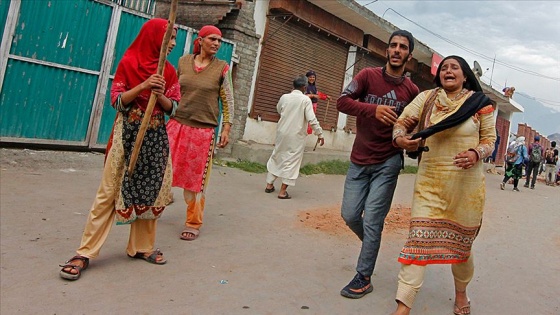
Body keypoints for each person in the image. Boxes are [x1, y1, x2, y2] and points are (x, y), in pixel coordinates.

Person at [59, 18, 180, 280]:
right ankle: (85, 252)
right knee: (108, 192)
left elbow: (175, 108)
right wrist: (144, 86)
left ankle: (141, 247)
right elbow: (117, 101)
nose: (172, 44)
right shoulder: (129, 62)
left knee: (151, 193)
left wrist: (159, 94)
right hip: (126, 136)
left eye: (174, 39)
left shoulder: (169, 72)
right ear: (153, 37)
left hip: (155, 138)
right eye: (169, 37)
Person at [391, 55, 496, 315]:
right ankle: (404, 306)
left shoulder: (480, 104)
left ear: (465, 76)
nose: (448, 71)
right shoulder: (427, 99)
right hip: (430, 183)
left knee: (462, 248)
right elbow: (402, 122)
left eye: (455, 68)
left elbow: (490, 140)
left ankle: (461, 293)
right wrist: (400, 139)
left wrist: (475, 154)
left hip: (465, 189)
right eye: (444, 67)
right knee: (417, 241)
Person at [336, 30, 419, 299]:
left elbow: (414, 126)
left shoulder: (412, 91)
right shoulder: (367, 76)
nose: (396, 50)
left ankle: (363, 277)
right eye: (393, 45)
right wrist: (372, 109)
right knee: (349, 215)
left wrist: (411, 142)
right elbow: (342, 102)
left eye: (402, 47)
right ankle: (371, 245)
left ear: (409, 54)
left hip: (388, 161)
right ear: (387, 51)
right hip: (359, 159)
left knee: (373, 220)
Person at [166, 25, 234, 241]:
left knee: (197, 180)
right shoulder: (183, 62)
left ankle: (193, 221)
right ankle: (155, 205)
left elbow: (228, 99)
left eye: (219, 41)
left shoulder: (222, 68)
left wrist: (226, 127)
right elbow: (173, 89)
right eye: (212, 39)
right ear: (200, 39)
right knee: (163, 168)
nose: (216, 44)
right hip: (177, 124)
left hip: (203, 130)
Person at [265, 75, 325, 199]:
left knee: (277, 155)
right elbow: (311, 119)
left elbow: (278, 109)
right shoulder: (305, 100)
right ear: (304, 87)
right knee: (291, 161)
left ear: (293, 86)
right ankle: (282, 192)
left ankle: (269, 185)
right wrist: (319, 134)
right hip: (296, 135)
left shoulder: (284, 97)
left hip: (282, 132)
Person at [305, 70, 330, 134]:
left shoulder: (313, 86)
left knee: (311, 120)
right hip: (307, 105)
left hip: (314, 105)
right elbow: (304, 95)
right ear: (307, 77)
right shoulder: (305, 86)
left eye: (313, 77)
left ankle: (306, 134)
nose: (312, 78)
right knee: (306, 120)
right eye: (310, 77)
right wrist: (312, 95)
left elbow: (317, 94)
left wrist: (326, 96)